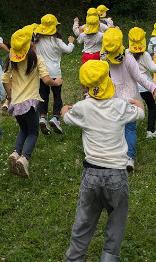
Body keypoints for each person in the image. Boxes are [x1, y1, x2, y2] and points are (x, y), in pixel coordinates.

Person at [62, 60, 144, 262]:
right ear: (109, 80)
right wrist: (138, 104)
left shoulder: (82, 108)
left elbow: (66, 117)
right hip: (117, 174)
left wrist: (65, 108)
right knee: (116, 220)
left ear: (83, 86)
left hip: (91, 174)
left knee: (84, 221)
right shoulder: (119, 106)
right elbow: (140, 114)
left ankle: (74, 258)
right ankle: (109, 258)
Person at [2, 25, 62, 178]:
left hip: (16, 103)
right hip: (30, 103)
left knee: (23, 129)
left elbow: (4, 79)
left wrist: (10, 95)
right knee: (33, 132)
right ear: (31, 43)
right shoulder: (37, 59)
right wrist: (57, 83)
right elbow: (47, 80)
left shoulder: (11, 59)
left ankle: (16, 153)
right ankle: (24, 159)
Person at [101, 27, 156, 173]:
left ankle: (115, 156)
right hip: (132, 98)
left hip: (113, 98)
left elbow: (100, 79)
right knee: (130, 129)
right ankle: (129, 158)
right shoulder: (128, 56)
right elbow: (139, 77)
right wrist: (152, 87)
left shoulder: (103, 57)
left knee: (117, 128)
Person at [34, 14, 75, 135]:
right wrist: (71, 42)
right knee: (57, 95)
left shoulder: (38, 40)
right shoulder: (56, 41)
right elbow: (68, 50)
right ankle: (55, 117)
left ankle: (42, 117)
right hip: (55, 73)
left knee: (43, 95)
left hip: (42, 72)